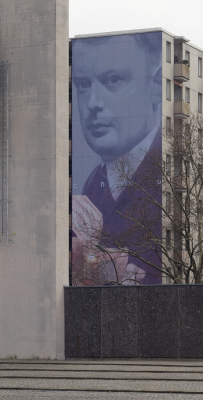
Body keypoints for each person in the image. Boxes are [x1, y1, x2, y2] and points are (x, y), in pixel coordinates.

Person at [71, 32, 162, 285]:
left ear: (155, 87)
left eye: (112, 80)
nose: (93, 103)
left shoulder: (169, 178)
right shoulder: (90, 186)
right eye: (83, 85)